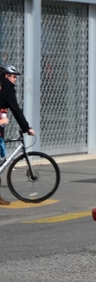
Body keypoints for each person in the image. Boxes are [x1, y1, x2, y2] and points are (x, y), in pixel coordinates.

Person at [0, 65, 36, 206]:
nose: (15, 80)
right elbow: (15, 109)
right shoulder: (7, 88)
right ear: (7, 76)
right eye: (14, 76)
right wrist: (27, 128)